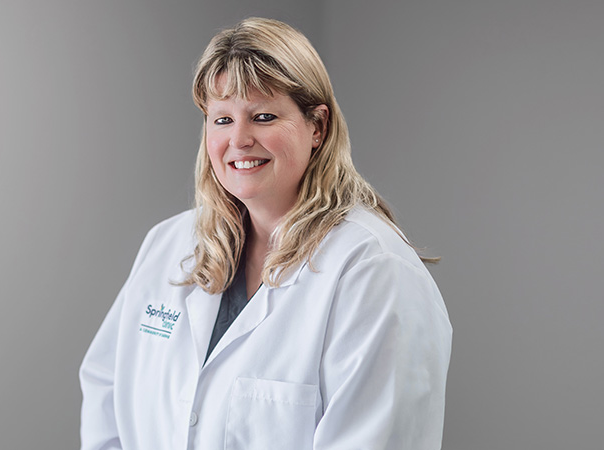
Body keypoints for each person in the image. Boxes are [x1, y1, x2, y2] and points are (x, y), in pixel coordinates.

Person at [80, 17, 452, 450]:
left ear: (318, 127)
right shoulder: (168, 245)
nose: (238, 140)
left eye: (263, 116)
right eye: (221, 119)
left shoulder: (373, 271)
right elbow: (107, 388)